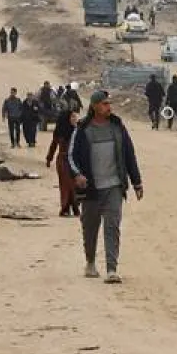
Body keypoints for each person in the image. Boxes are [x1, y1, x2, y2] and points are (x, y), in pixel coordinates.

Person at [68, 91, 144, 282]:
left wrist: (136, 182)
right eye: (104, 104)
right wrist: (77, 175)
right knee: (90, 228)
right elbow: (71, 156)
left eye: (109, 103)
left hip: (114, 186)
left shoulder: (117, 127)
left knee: (112, 227)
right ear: (94, 106)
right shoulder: (82, 129)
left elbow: (129, 154)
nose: (108, 107)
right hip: (91, 189)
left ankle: (112, 269)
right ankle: (90, 262)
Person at [46, 107, 82, 217]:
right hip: (63, 161)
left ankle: (75, 207)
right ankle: (65, 208)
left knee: (75, 184)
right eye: (72, 117)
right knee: (65, 185)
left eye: (75, 117)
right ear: (67, 118)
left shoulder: (77, 131)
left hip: (75, 161)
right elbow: (53, 146)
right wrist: (49, 158)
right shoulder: (60, 132)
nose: (75, 119)